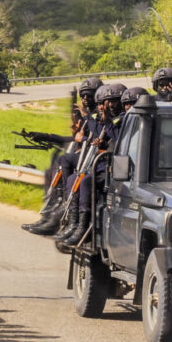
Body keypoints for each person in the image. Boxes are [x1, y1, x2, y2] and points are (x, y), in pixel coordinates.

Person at [21, 78, 103, 235]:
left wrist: (83, 133)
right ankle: (52, 209)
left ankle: (64, 203)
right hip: (83, 157)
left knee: (65, 162)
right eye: (83, 96)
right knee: (51, 169)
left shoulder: (97, 117)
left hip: (92, 160)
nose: (85, 99)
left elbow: (91, 139)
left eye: (89, 95)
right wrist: (47, 136)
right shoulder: (86, 116)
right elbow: (74, 138)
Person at [55, 83, 126, 253]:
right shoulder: (107, 118)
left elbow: (117, 137)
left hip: (112, 168)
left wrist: (98, 120)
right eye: (103, 103)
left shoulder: (124, 118)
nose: (106, 106)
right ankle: (74, 223)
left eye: (111, 102)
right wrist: (88, 119)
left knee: (86, 181)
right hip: (100, 164)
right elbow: (99, 131)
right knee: (73, 178)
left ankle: (83, 227)